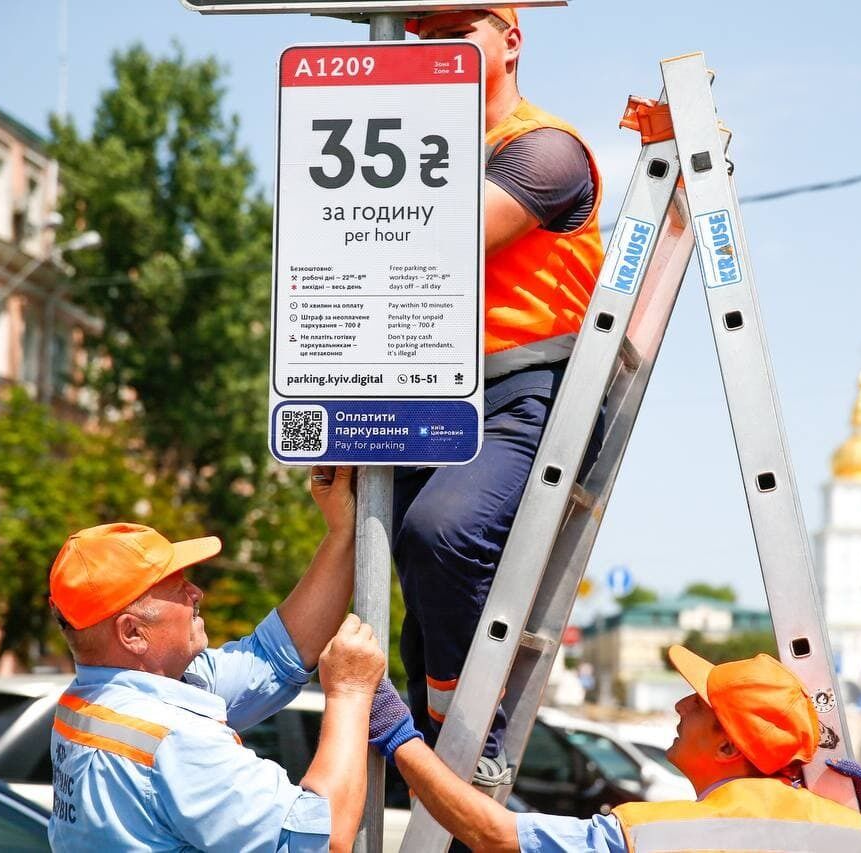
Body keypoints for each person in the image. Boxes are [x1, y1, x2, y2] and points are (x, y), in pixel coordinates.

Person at [395, 5, 605, 786]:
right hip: (429, 396)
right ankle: (439, 760)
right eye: (421, 34)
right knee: (416, 597)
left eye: (458, 34)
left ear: (510, 39)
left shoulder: (543, 149)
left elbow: (429, 238)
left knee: (443, 532)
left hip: (527, 392)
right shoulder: (417, 150)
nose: (435, 50)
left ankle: (469, 744)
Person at [47, 466, 383, 852]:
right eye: (175, 587)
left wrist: (342, 534)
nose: (195, 593)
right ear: (132, 633)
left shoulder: (98, 697)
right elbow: (326, 838)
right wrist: (350, 693)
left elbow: (276, 657)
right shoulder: (170, 739)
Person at [367, 647, 861, 852]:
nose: (679, 707)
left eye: (698, 702)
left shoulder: (654, 834)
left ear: (728, 746)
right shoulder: (856, 839)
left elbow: (494, 834)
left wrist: (399, 738)